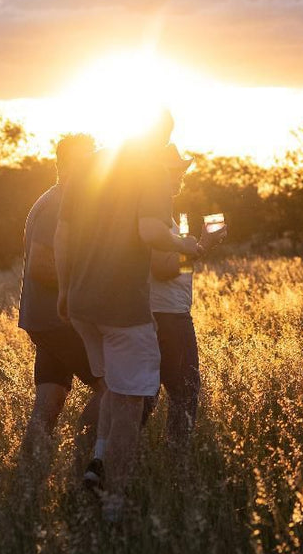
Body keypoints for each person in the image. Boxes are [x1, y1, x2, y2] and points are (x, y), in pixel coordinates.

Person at [54, 116, 206, 516]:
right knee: (132, 404)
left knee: (112, 389)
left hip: (82, 303)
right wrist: (188, 243)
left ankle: (95, 464)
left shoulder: (89, 166)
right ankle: (114, 502)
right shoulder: (149, 170)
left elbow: (63, 234)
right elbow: (151, 232)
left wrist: (66, 290)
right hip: (124, 305)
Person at [17, 133, 102, 461]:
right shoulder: (58, 203)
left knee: (49, 400)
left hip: (47, 319)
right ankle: (85, 457)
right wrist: (87, 287)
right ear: (65, 163)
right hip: (57, 320)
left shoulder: (63, 199)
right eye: (86, 157)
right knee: (113, 387)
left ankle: (27, 474)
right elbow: (40, 265)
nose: (93, 163)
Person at [143, 145, 222, 442]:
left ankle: (117, 455)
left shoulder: (164, 217)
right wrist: (203, 245)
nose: (180, 179)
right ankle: (179, 462)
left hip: (168, 311)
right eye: (174, 172)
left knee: (151, 393)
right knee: (186, 390)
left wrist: (198, 248)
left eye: (182, 172)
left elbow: (178, 270)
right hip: (168, 316)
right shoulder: (157, 220)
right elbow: (162, 268)